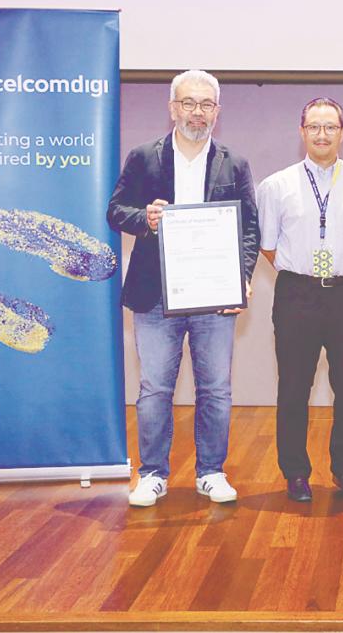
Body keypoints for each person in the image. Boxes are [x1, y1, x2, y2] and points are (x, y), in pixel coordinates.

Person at [107, 69, 259, 507]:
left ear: (217, 111)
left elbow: (249, 227)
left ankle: (211, 471)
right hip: (155, 296)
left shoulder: (235, 162)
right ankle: (152, 473)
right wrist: (145, 219)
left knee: (216, 389)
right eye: (189, 103)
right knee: (154, 388)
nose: (197, 112)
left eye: (206, 104)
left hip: (214, 297)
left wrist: (242, 279)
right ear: (173, 108)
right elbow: (116, 211)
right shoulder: (144, 157)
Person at [257, 97, 343, 502]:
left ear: (342, 132)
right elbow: (268, 246)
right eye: (314, 126)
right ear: (302, 132)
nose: (322, 134)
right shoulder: (276, 186)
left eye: (330, 127)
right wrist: (307, 272)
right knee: (293, 387)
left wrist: (335, 269)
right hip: (297, 293)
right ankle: (295, 472)